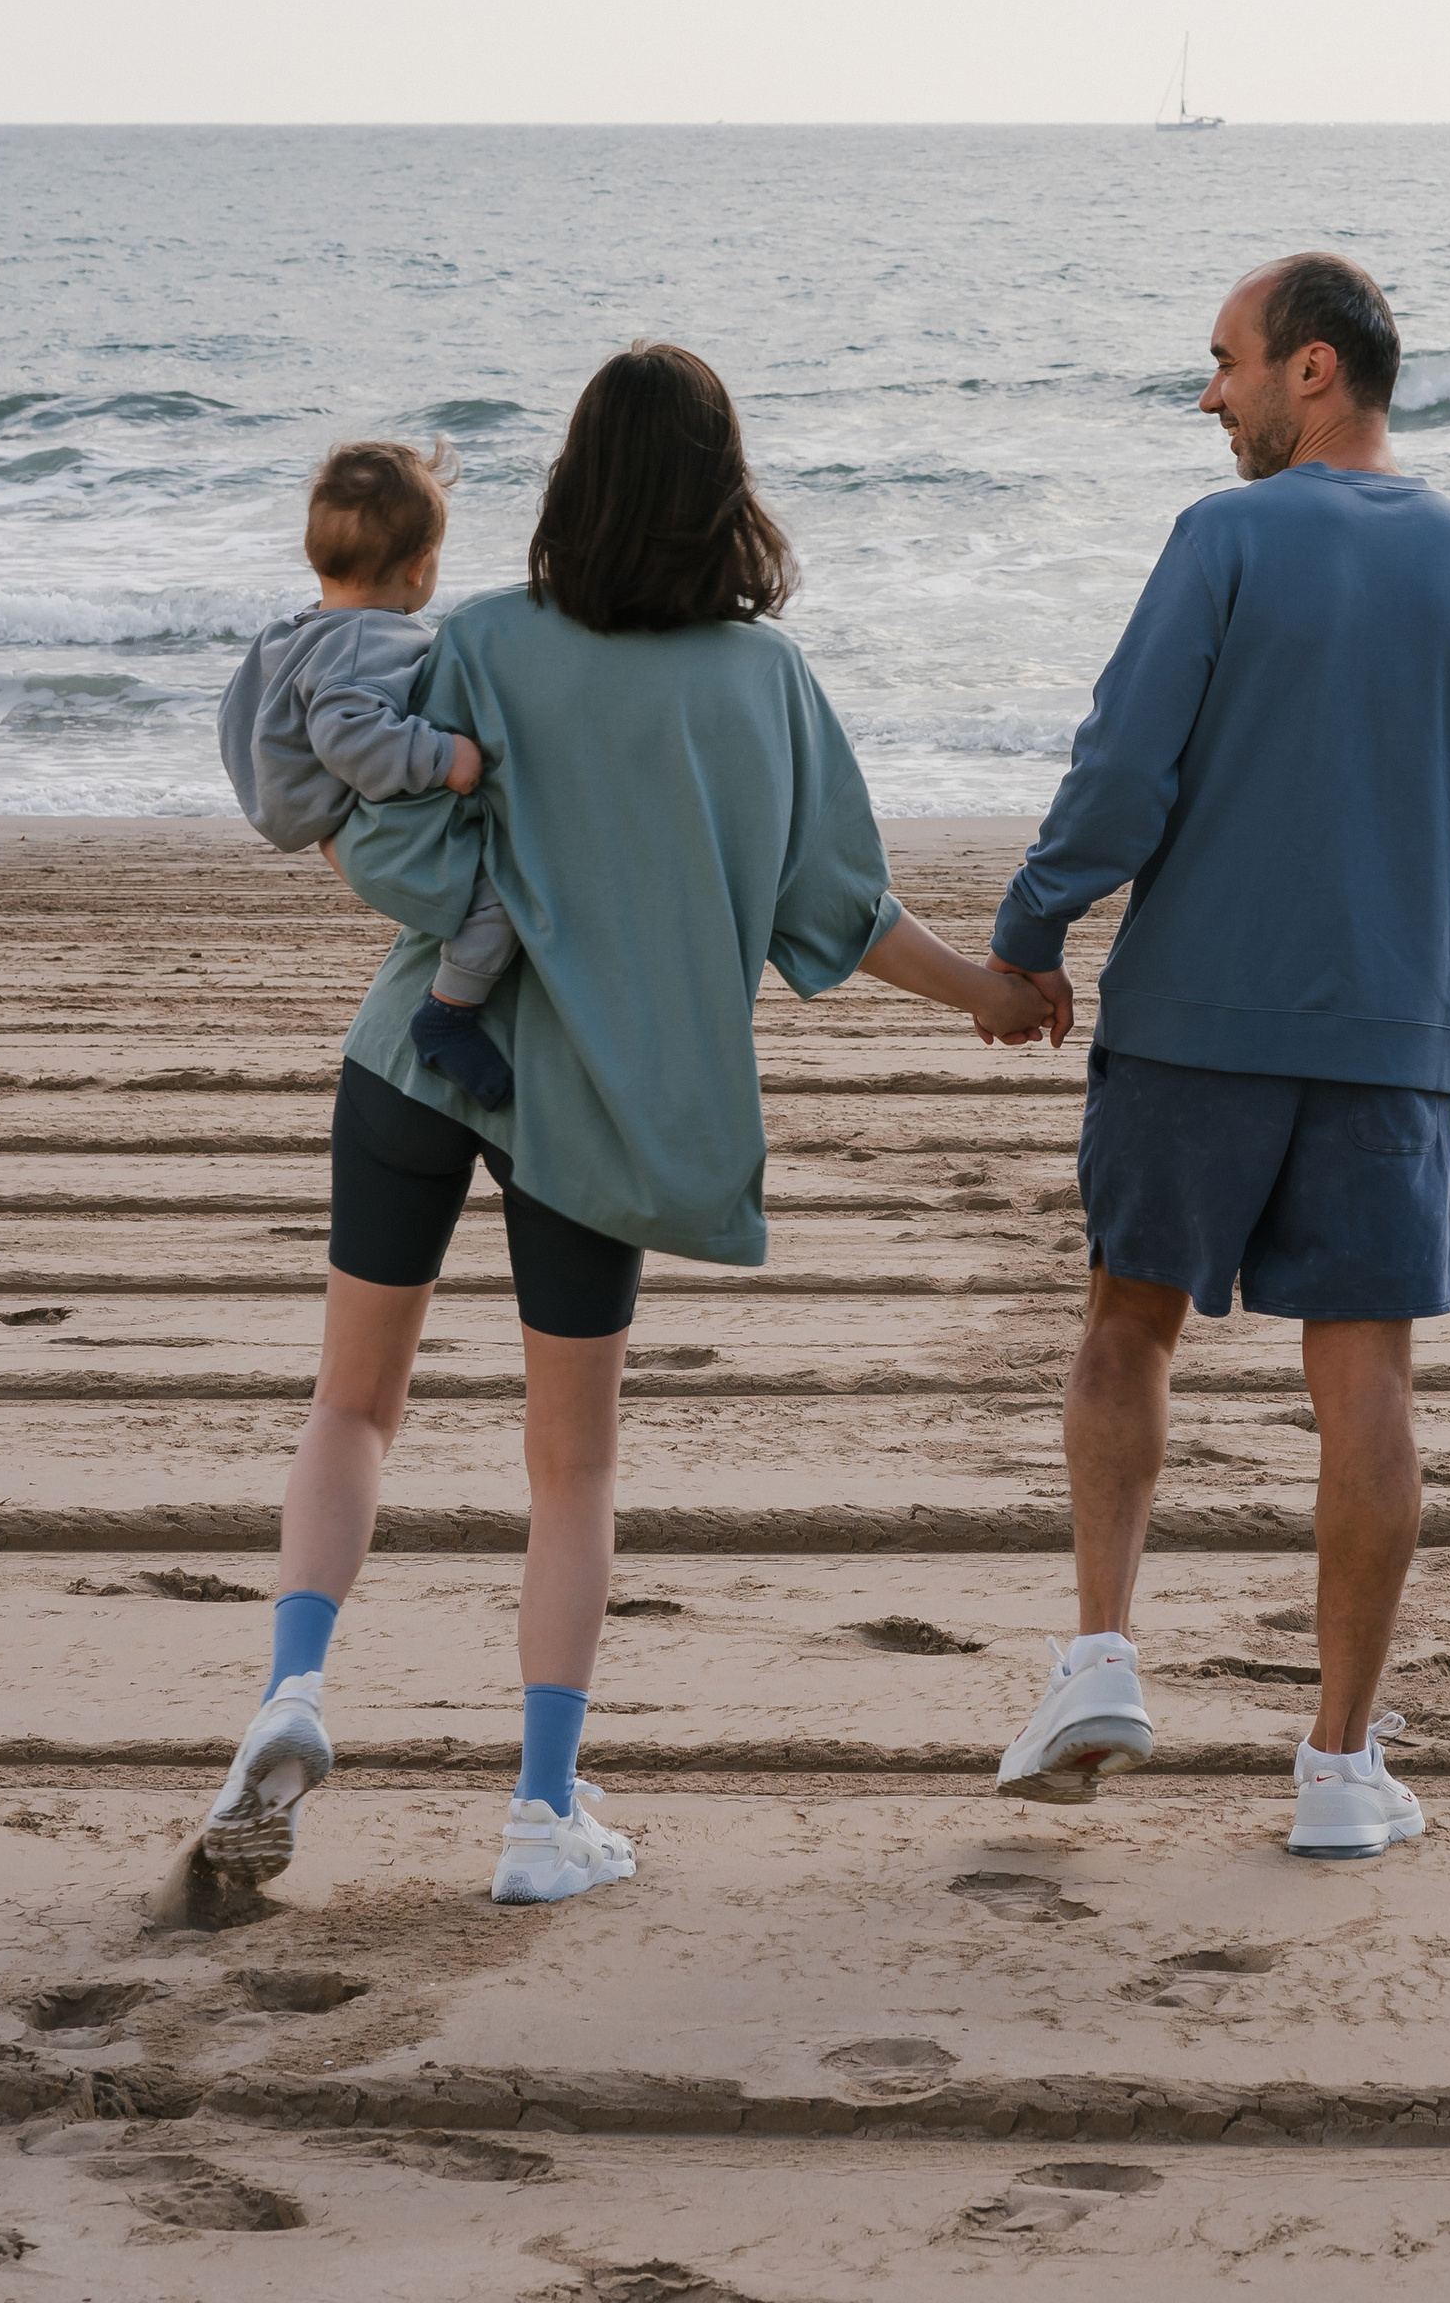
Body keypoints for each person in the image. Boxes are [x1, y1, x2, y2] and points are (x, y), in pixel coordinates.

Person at [200, 341, 1045, 1907]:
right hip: (589, 1111)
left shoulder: (488, 642)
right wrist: (987, 997)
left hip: (418, 1059)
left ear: (573, 484)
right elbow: (839, 912)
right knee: (570, 1464)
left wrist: (490, 902)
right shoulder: (764, 680)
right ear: (727, 496)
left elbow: (371, 837)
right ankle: (538, 1812)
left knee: (352, 1406)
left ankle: (294, 1693)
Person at [978, 253, 1450, 1861]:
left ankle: (1103, 1654)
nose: (1211, 395)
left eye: (1226, 362)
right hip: (1397, 1039)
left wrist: (1035, 930)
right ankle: (1337, 1766)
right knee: (1366, 1380)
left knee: (1128, 1324)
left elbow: (1124, 765)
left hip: (1194, 1017)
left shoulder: (1225, 538)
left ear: (1312, 369)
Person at [218, 437, 522, 1106]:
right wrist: (445, 759)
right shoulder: (367, 640)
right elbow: (346, 732)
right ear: (419, 568)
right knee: (504, 886)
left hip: (337, 829)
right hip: (370, 844)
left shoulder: (302, 630)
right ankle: (449, 1012)